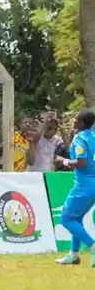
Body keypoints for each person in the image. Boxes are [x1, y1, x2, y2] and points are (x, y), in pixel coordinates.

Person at [54, 109, 95, 266]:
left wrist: (63, 161)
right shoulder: (93, 136)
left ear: (82, 123)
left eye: (76, 120)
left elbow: (81, 162)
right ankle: (74, 254)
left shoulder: (80, 139)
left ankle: (93, 246)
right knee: (76, 218)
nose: (73, 122)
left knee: (67, 218)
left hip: (83, 185)